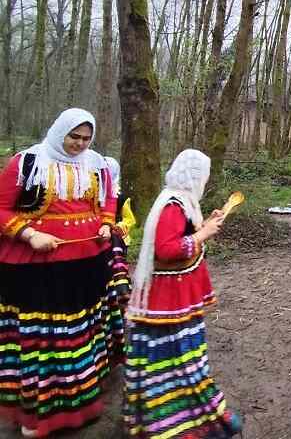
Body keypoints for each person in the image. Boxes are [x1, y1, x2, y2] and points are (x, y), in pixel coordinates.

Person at [0, 109, 121, 438]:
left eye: (86, 138)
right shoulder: (27, 163)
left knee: (79, 335)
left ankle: (79, 406)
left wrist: (108, 225)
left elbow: (109, 199)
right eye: (74, 137)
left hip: (86, 264)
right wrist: (29, 234)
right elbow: (1, 207)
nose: (79, 144)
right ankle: (37, 414)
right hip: (39, 270)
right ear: (59, 131)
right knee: (46, 339)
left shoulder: (96, 164)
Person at [124, 149, 243, 438]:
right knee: (177, 356)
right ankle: (176, 421)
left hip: (177, 298)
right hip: (169, 302)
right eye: (203, 176)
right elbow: (167, 249)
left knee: (185, 355)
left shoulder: (181, 203)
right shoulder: (172, 205)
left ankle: (193, 410)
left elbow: (182, 235)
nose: (205, 181)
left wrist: (204, 225)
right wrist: (202, 235)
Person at [104, 156, 137, 313]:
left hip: (118, 240)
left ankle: (122, 296)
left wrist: (120, 226)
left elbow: (129, 219)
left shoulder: (120, 197)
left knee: (119, 269)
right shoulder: (93, 195)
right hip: (100, 239)